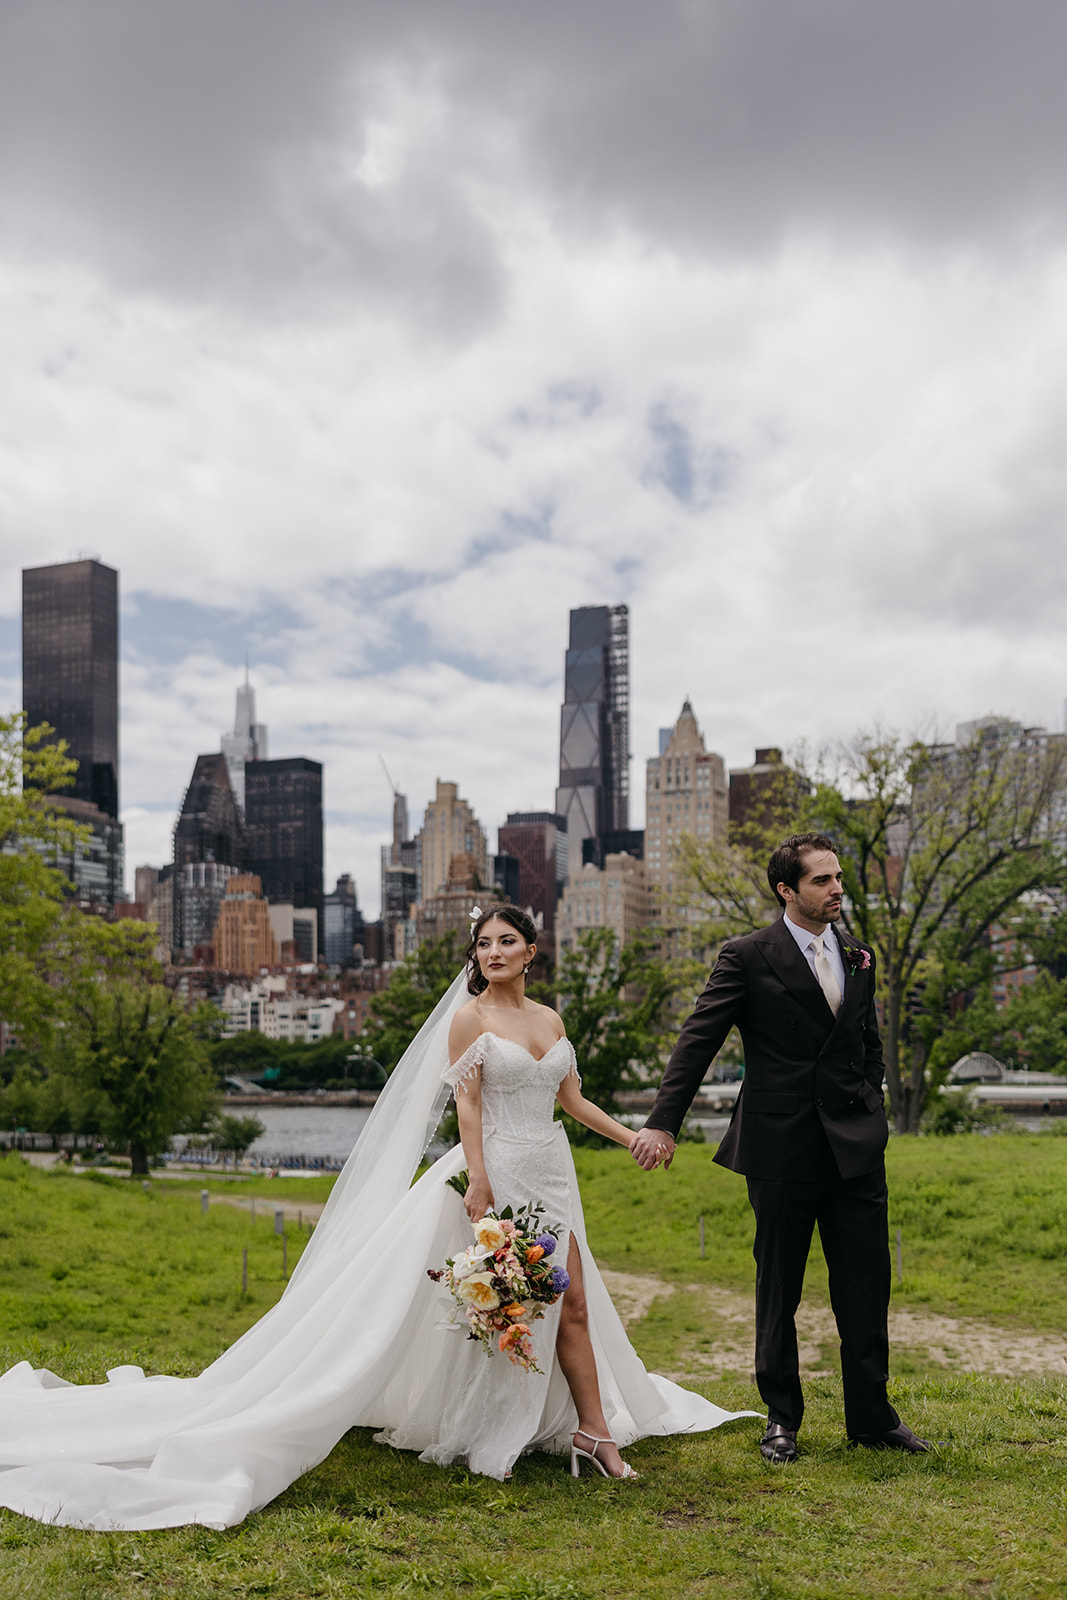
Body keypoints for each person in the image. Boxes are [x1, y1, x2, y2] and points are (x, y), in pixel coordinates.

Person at [0, 904, 753, 1529]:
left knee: (575, 1306)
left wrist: (636, 1138)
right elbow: (465, 1106)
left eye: (506, 940)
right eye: (483, 943)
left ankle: (591, 1434)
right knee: (513, 1305)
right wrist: (480, 1185)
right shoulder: (467, 1020)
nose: (493, 951)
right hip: (498, 1174)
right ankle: (499, 1423)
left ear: (531, 949)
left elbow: (571, 1100)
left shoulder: (551, 1019)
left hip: (554, 1171)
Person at [631, 834, 929, 1464]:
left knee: (866, 1284)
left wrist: (872, 1105)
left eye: (839, 878)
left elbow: (867, 1039)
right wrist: (663, 1122)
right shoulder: (746, 955)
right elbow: (697, 1041)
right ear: (786, 891)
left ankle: (872, 1418)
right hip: (781, 1146)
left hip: (854, 1146)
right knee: (780, 1289)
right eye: (822, 881)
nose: (837, 889)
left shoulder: (859, 955)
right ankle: (781, 1420)